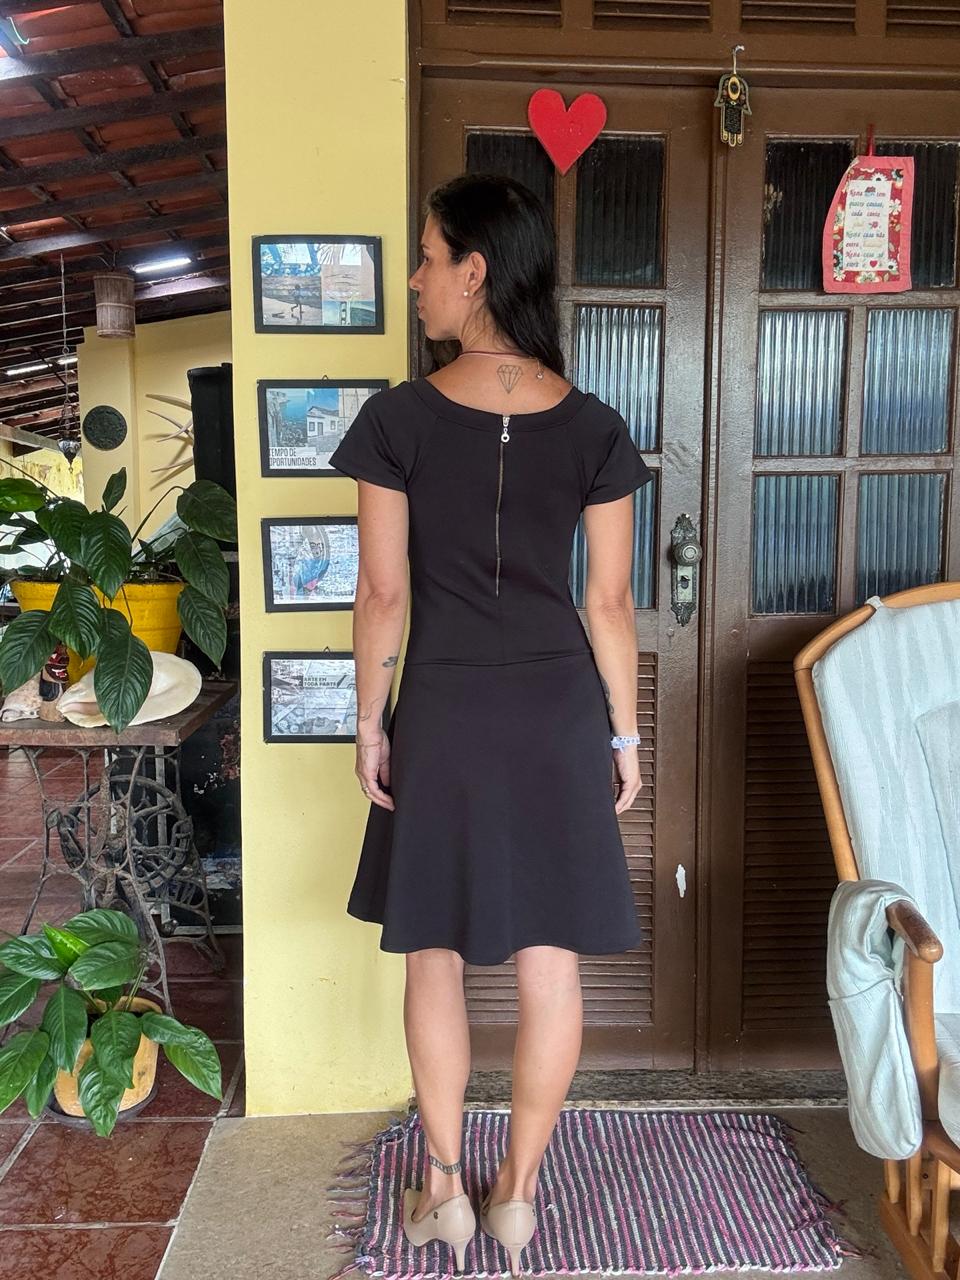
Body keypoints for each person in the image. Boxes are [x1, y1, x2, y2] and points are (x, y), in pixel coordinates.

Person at [328, 171, 653, 1278]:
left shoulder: (397, 420)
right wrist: (624, 736)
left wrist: (369, 722)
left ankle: (442, 1190)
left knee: (434, 953)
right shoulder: (596, 426)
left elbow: (382, 594)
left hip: (447, 708)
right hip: (559, 711)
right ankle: (516, 1195)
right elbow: (610, 603)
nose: (417, 280)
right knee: (549, 960)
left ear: (475, 271)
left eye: (427, 258)